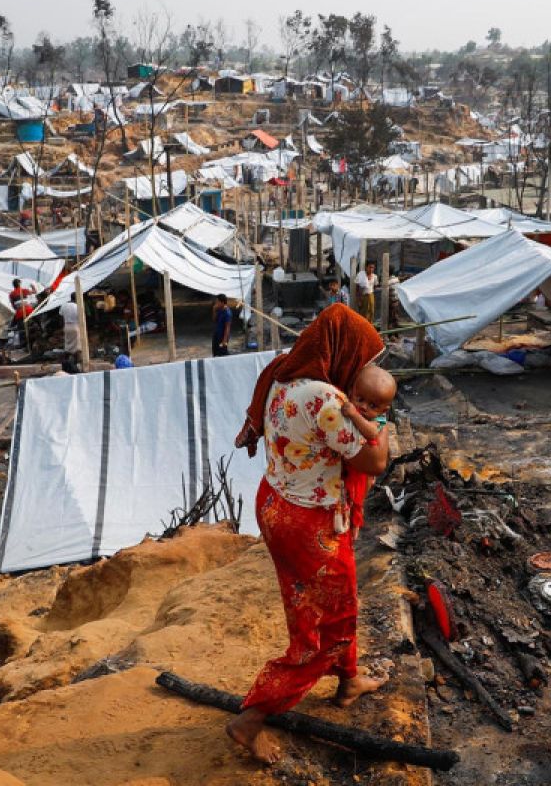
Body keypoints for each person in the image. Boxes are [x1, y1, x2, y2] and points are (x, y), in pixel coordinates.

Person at [227, 304, 391, 764]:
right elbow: (374, 461)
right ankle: (250, 719)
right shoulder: (326, 399)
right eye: (363, 360)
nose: (363, 372)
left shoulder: (284, 372)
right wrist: (383, 425)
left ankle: (349, 679)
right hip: (311, 522)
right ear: (342, 351)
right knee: (323, 630)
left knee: (324, 604)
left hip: (276, 502)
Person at [340, 364, 397, 529]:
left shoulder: (378, 420)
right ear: (351, 392)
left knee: (356, 499)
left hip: (361, 471)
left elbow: (371, 433)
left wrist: (353, 414)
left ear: (384, 409)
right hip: (351, 463)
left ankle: (355, 526)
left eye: (372, 406)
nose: (364, 407)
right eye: (360, 399)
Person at [60, 294, 81, 361]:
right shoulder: (77, 306)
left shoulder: (64, 305)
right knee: (76, 346)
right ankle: (75, 361)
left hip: (66, 326)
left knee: (67, 344)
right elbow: (80, 318)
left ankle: (65, 359)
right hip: (75, 326)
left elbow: (61, 316)